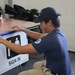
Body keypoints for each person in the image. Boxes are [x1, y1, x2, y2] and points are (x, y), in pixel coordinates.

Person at [0, 7, 71, 75]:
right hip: (63, 70)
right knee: (36, 65)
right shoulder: (58, 33)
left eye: (41, 22)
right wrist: (23, 29)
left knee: (21, 74)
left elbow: (20, 50)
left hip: (57, 73)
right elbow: (39, 36)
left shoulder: (50, 40)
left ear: (49, 22)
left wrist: (2, 40)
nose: (40, 25)